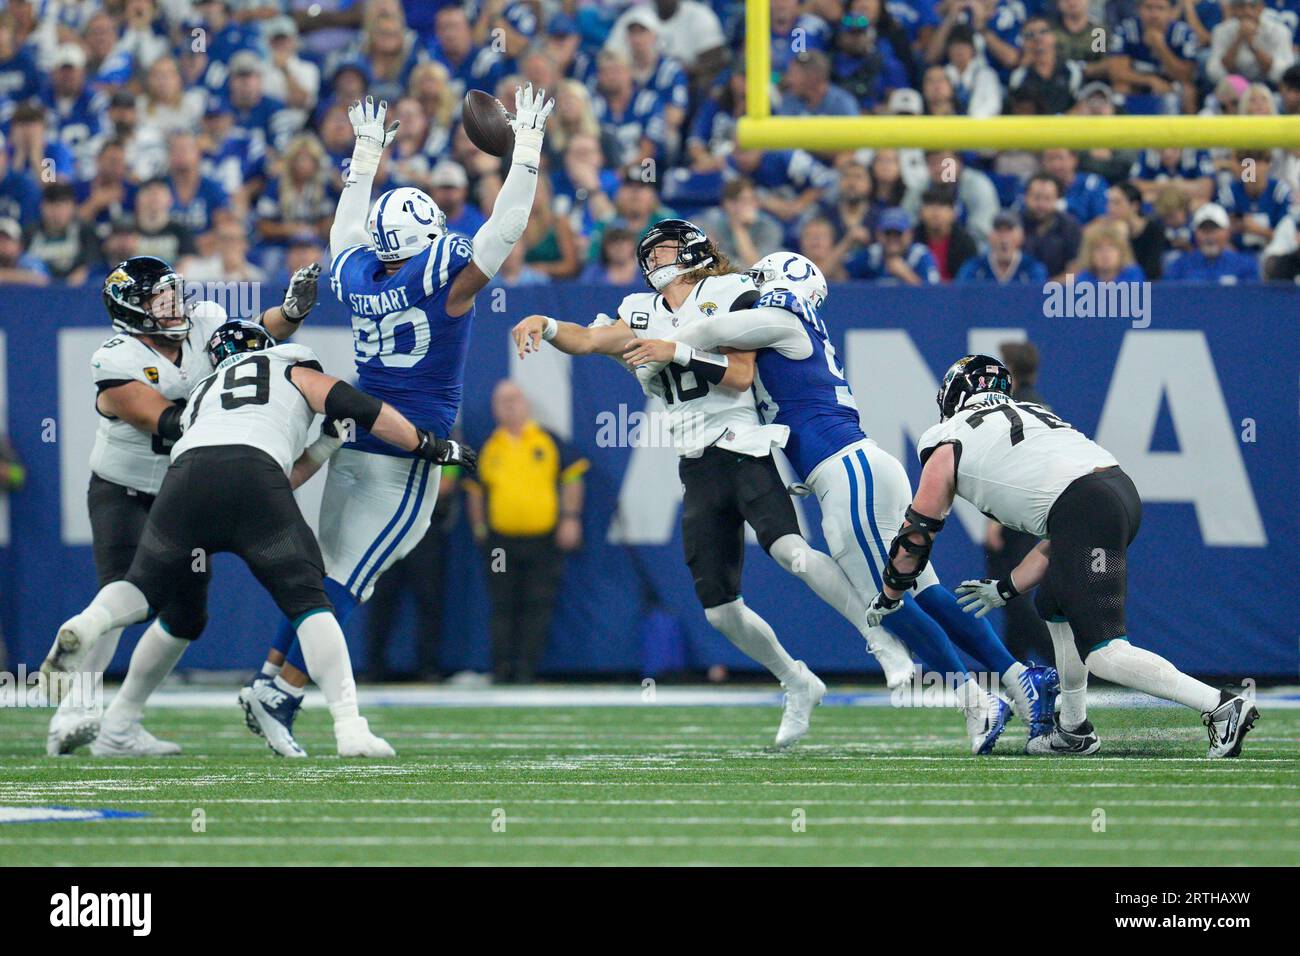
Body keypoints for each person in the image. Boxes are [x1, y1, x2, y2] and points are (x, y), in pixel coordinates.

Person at [619, 252, 1059, 754]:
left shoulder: (782, 319)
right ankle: (1019, 677)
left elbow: (710, 327)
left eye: (757, 281)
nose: (749, 287)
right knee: (926, 593)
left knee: (884, 600)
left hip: (846, 472)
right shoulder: (793, 323)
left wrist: (663, 342)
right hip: (859, 467)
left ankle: (972, 699)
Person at [510, 222, 927, 749]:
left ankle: (880, 639)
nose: (651, 258)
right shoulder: (642, 309)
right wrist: (545, 323)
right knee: (719, 610)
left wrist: (675, 352)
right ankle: (797, 681)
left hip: (743, 442)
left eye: (660, 248)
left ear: (691, 250)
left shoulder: (727, 292)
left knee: (792, 553)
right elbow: (591, 338)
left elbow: (739, 374)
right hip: (694, 460)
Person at [240, 90, 552, 755]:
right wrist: (526, 148)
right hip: (410, 448)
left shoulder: (358, 274)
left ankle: (270, 676)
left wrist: (365, 153)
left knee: (331, 572)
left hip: (358, 437)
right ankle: (283, 696)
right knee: (349, 582)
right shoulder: (446, 280)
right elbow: (507, 225)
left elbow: (344, 230)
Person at [41, 320, 475, 759]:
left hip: (185, 479)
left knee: (142, 586)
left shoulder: (203, 393)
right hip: (255, 476)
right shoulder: (288, 362)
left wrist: (322, 448)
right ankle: (349, 726)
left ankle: (91, 622)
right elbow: (357, 404)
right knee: (310, 604)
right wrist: (427, 445)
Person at [866, 355, 1259, 759]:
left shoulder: (946, 439)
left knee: (1104, 651)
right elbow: (1062, 534)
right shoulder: (1031, 413)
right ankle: (1073, 729)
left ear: (953, 396)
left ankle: (1221, 705)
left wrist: (891, 594)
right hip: (1114, 491)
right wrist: (1005, 587)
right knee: (1053, 604)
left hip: (1084, 506)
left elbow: (917, 535)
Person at [44, 254, 322, 756]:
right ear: (132, 310)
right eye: (159, 298)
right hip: (123, 490)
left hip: (182, 492)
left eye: (174, 292)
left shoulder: (205, 321)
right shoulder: (115, 357)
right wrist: (232, 410)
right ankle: (75, 709)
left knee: (188, 617)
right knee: (124, 593)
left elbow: (253, 335)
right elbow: (166, 420)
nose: (174, 304)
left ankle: (122, 724)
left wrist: (292, 312)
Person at [464, 382, 588, 684]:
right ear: (494, 409)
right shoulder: (487, 446)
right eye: (502, 401)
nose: (509, 406)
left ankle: (526, 671)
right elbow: (475, 491)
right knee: (502, 602)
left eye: (514, 399)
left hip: (542, 540)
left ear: (526, 404)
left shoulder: (547, 441)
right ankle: (501, 669)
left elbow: (573, 476)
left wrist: (570, 518)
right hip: (499, 544)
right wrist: (480, 527)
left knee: (538, 603)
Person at [983, 343, 1053, 664]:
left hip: (1015, 513)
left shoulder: (1016, 409)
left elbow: (1013, 464)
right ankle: (1014, 668)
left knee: (1010, 594)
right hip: (1032, 509)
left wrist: (995, 519)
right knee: (1011, 598)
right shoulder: (1040, 405)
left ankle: (1059, 658)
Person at [956, 211, 1049, 285]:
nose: (1004, 238)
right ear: (990, 236)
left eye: (1009, 231)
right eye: (999, 231)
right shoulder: (974, 268)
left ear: (1020, 236)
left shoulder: (1032, 269)